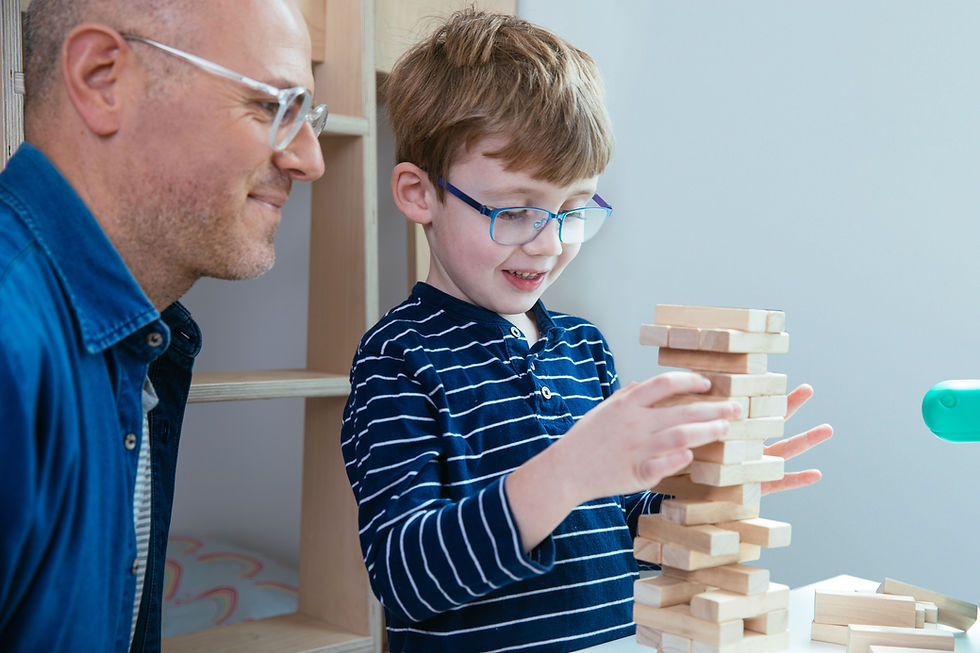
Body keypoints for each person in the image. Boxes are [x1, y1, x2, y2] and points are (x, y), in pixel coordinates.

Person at [341, 9, 832, 652]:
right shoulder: (398, 361)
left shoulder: (582, 348)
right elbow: (407, 579)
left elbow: (623, 523)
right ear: (417, 193)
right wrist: (567, 472)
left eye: (573, 209)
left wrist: (711, 490)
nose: (549, 244)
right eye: (516, 210)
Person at [0, 0, 325, 649]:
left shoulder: (137, 339)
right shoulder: (12, 346)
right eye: (271, 106)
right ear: (102, 79)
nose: (310, 160)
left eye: (306, 116)